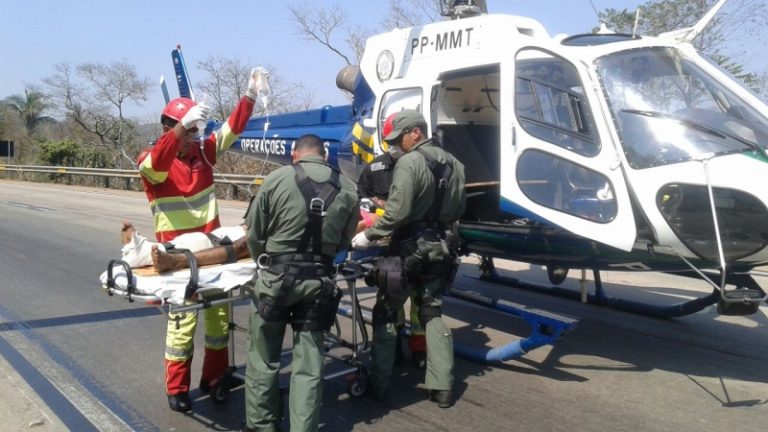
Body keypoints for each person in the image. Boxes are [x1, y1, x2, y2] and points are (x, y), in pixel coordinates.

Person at [137, 69, 259, 412]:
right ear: (168, 129)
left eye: (195, 130)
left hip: (215, 251)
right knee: (182, 325)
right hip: (177, 259)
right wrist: (179, 129)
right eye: (188, 130)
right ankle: (178, 390)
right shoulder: (150, 162)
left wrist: (249, 96)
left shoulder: (204, 152)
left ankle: (214, 377)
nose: (193, 136)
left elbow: (232, 129)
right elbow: (159, 162)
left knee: (220, 319)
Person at [243, 134, 359, 432]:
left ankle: (261, 426)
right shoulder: (347, 187)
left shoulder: (275, 180)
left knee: (263, 359)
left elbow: (255, 234)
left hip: (276, 281)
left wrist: (264, 263)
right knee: (308, 364)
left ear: (295, 153)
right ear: (325, 154)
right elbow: (346, 241)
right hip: (318, 283)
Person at [351, 110, 466, 408]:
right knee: (431, 313)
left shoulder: (409, 162)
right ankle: (442, 388)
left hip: (407, 247)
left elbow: (397, 213)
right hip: (440, 247)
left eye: (398, 139)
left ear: (415, 133)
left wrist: (369, 235)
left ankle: (378, 384)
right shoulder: (456, 164)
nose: (395, 146)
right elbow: (456, 211)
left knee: (387, 311)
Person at [357, 113, 427, 369]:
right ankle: (394, 346)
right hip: (388, 244)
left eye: (398, 140)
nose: (395, 146)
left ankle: (420, 349)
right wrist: (376, 214)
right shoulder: (375, 169)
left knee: (421, 300)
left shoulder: (423, 164)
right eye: (391, 142)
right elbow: (362, 201)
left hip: (418, 242)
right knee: (392, 294)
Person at [119, 221, 249, 272]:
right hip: (235, 230)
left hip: (252, 237)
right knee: (192, 240)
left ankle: (174, 260)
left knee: (244, 243)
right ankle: (147, 251)